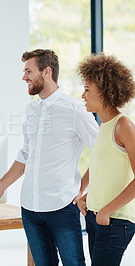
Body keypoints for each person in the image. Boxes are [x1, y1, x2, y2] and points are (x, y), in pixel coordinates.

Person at [0, 49, 99, 266]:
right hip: (30, 208)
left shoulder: (76, 110)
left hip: (62, 206)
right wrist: (2, 185)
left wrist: (81, 188)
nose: (24, 77)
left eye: (28, 71)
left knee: (74, 263)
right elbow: (26, 153)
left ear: (46, 71)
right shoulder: (31, 110)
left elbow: (101, 151)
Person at [76, 53, 135, 265]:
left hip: (115, 220)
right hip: (97, 216)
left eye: (87, 90)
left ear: (104, 91)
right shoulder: (103, 127)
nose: (83, 95)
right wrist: (85, 197)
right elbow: (102, 169)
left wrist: (107, 210)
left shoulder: (124, 125)